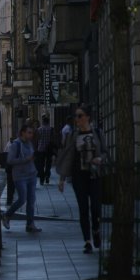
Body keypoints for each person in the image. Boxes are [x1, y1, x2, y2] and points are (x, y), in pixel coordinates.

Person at [56, 105, 106, 254]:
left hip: (95, 175)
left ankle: (96, 230)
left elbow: (105, 152)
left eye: (80, 116)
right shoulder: (73, 135)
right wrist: (62, 178)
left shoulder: (97, 133)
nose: (77, 119)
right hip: (79, 176)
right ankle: (87, 241)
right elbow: (69, 157)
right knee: (83, 209)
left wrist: (99, 159)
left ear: (87, 117)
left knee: (96, 207)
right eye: (76, 116)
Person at [2, 124, 42, 233]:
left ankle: (30, 224)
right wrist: (25, 159)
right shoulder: (16, 144)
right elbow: (10, 160)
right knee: (22, 199)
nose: (31, 135)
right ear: (23, 133)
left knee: (31, 201)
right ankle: (7, 215)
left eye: (32, 133)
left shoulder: (29, 143)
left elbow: (31, 157)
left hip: (31, 175)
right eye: (29, 132)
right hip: (20, 176)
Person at [35, 116, 54, 185]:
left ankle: (41, 179)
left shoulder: (39, 129)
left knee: (41, 164)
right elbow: (52, 139)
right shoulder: (51, 129)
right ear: (48, 122)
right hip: (49, 149)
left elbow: (37, 139)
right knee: (48, 164)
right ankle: (47, 176)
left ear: (43, 122)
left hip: (40, 149)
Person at [4, 137, 16, 207]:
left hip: (10, 169)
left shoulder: (9, 146)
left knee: (10, 185)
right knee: (11, 185)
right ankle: (9, 200)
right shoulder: (13, 147)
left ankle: (9, 200)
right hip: (12, 170)